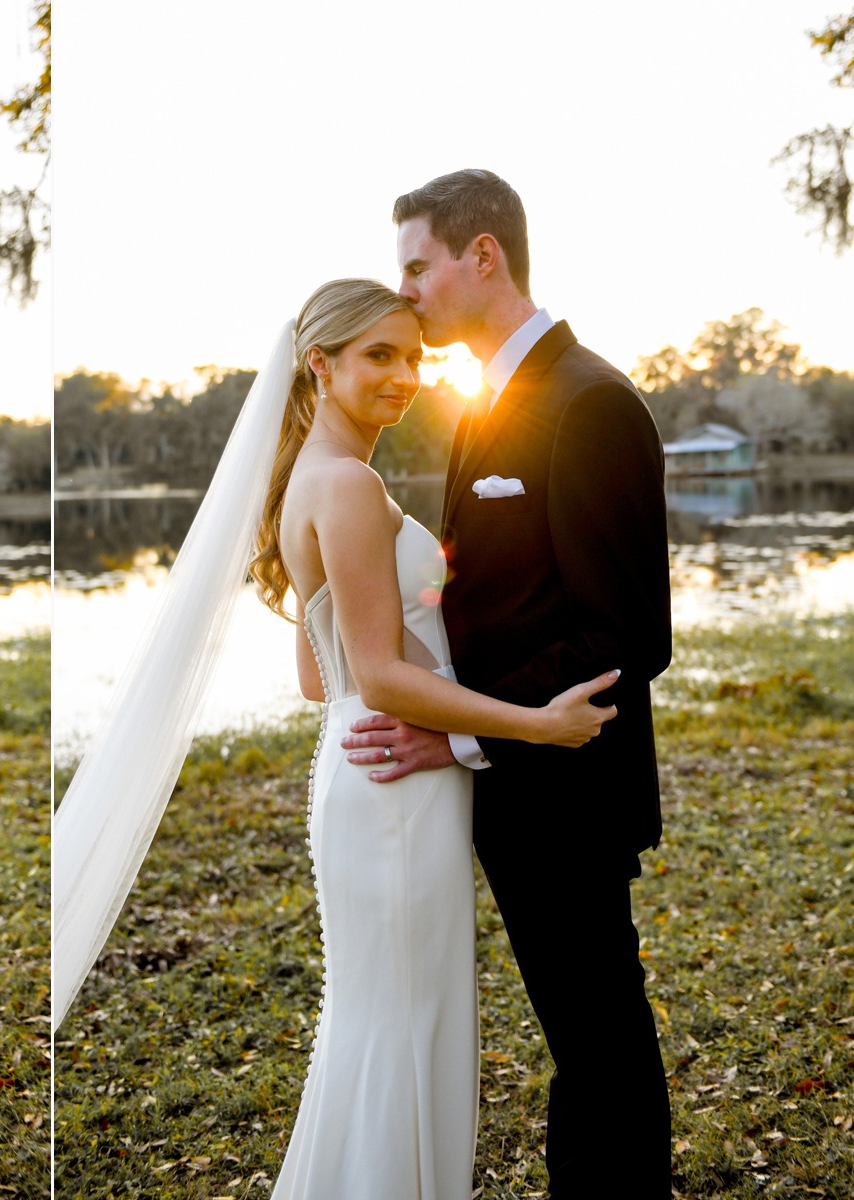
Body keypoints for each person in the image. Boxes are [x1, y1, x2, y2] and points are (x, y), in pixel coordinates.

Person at [50, 278, 619, 1199]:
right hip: (392, 782)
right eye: (380, 356)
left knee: (383, 1015)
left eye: (415, 358)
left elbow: (324, 676)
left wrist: (416, 624)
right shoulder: (347, 485)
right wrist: (537, 725)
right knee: (401, 1019)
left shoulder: (310, 480)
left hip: (364, 768)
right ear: (320, 364)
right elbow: (381, 677)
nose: (406, 377)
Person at [342, 169, 673, 1196]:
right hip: (516, 791)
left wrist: (463, 738)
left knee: (600, 1042)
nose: (404, 292)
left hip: (567, 789)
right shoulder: (489, 402)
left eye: (415, 266)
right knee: (586, 1041)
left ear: (481, 256)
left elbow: (622, 635)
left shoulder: (590, 404)